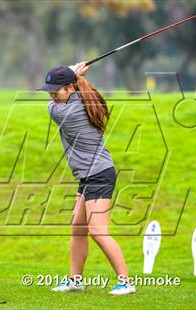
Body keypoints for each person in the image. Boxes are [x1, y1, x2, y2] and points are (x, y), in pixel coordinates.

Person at [37, 63, 136, 296]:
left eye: (55, 91)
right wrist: (75, 75)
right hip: (89, 175)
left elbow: (52, 106)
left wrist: (75, 71)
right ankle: (75, 280)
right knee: (78, 228)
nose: (51, 95)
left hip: (98, 174)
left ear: (71, 88)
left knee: (98, 231)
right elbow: (72, 91)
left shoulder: (63, 111)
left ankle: (126, 282)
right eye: (49, 90)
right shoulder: (80, 98)